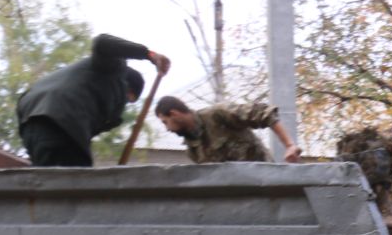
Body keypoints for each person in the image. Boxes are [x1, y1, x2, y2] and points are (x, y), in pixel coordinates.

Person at [16, 34, 170, 167]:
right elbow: (102, 42)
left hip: (30, 125)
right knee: (74, 191)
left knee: (52, 186)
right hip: (60, 124)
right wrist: (149, 54)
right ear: (127, 85)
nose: (123, 104)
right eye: (128, 98)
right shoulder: (113, 68)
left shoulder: (84, 83)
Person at [155, 95, 303, 163]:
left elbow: (263, 113)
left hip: (264, 182)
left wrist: (289, 145)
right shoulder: (193, 149)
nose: (167, 129)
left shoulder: (217, 115)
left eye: (165, 122)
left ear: (174, 114)